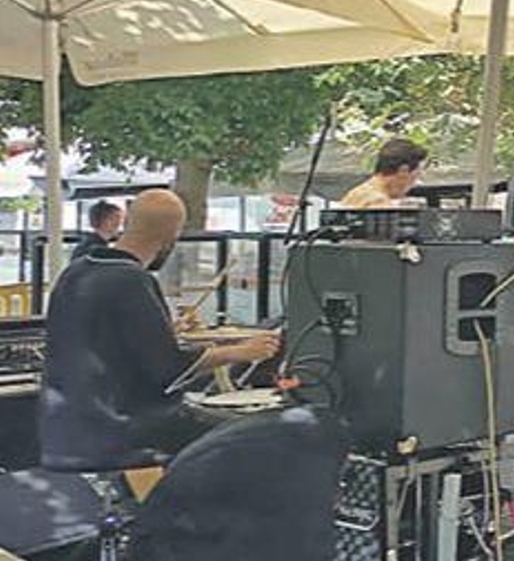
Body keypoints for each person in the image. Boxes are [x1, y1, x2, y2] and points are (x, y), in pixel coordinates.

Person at [39, 190, 281, 468]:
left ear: (127, 221)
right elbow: (169, 369)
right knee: (248, 442)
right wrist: (241, 352)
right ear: (172, 236)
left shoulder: (77, 270)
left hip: (63, 428)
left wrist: (166, 329)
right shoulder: (132, 280)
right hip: (121, 432)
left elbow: (107, 338)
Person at [338, 138, 429, 208]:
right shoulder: (378, 202)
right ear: (403, 171)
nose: (415, 183)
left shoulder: (357, 193)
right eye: (416, 175)